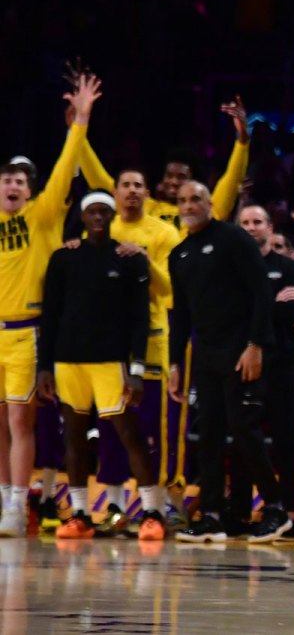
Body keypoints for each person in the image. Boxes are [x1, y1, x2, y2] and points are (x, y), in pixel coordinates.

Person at [35, 190, 166, 542]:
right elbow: (50, 316)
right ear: (82, 216)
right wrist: (43, 366)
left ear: (111, 217)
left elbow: (141, 319)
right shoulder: (63, 258)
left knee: (130, 435)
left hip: (111, 363)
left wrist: (137, 369)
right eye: (91, 211)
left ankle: (153, 512)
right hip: (67, 362)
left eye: (103, 212)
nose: (97, 217)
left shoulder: (130, 259)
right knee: (73, 439)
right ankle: (80, 515)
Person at [0, 75, 98, 537]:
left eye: (19, 180)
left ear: (29, 188)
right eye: (5, 179)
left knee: (21, 418)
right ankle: (4, 499)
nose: (12, 185)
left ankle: (18, 507)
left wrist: (79, 121)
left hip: (28, 330)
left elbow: (64, 169)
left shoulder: (42, 215)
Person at [167, 181, 291, 543]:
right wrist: (176, 363)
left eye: (196, 199)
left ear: (211, 204)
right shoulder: (179, 255)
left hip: (241, 351)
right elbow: (181, 316)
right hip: (205, 356)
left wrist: (255, 345)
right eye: (182, 201)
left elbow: (261, 293)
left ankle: (275, 508)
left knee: (243, 429)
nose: (189, 205)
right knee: (208, 435)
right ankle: (212, 515)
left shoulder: (234, 238)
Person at [77, 168, 185, 535]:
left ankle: (159, 507)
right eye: (126, 185)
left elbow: (172, 288)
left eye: (139, 185)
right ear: (115, 192)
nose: (132, 191)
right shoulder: (97, 231)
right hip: (109, 346)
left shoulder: (164, 233)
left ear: (147, 193)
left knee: (152, 430)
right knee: (111, 428)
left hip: (153, 341)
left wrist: (144, 258)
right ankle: (114, 507)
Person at [230, 205, 294, 536]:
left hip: (282, 363)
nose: (251, 227)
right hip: (242, 361)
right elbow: (233, 316)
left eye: (257, 222)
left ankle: (291, 511)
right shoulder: (231, 270)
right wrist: (274, 305)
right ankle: (239, 512)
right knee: (243, 437)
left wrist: (265, 311)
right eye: (245, 222)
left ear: (270, 226)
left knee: (285, 436)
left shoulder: (289, 268)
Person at [78, 96, 251, 231]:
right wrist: (77, 130)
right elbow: (99, 179)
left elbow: (232, 178)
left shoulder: (206, 211)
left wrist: (242, 139)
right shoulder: (145, 205)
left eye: (181, 177)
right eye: (169, 175)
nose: (174, 181)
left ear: (194, 182)